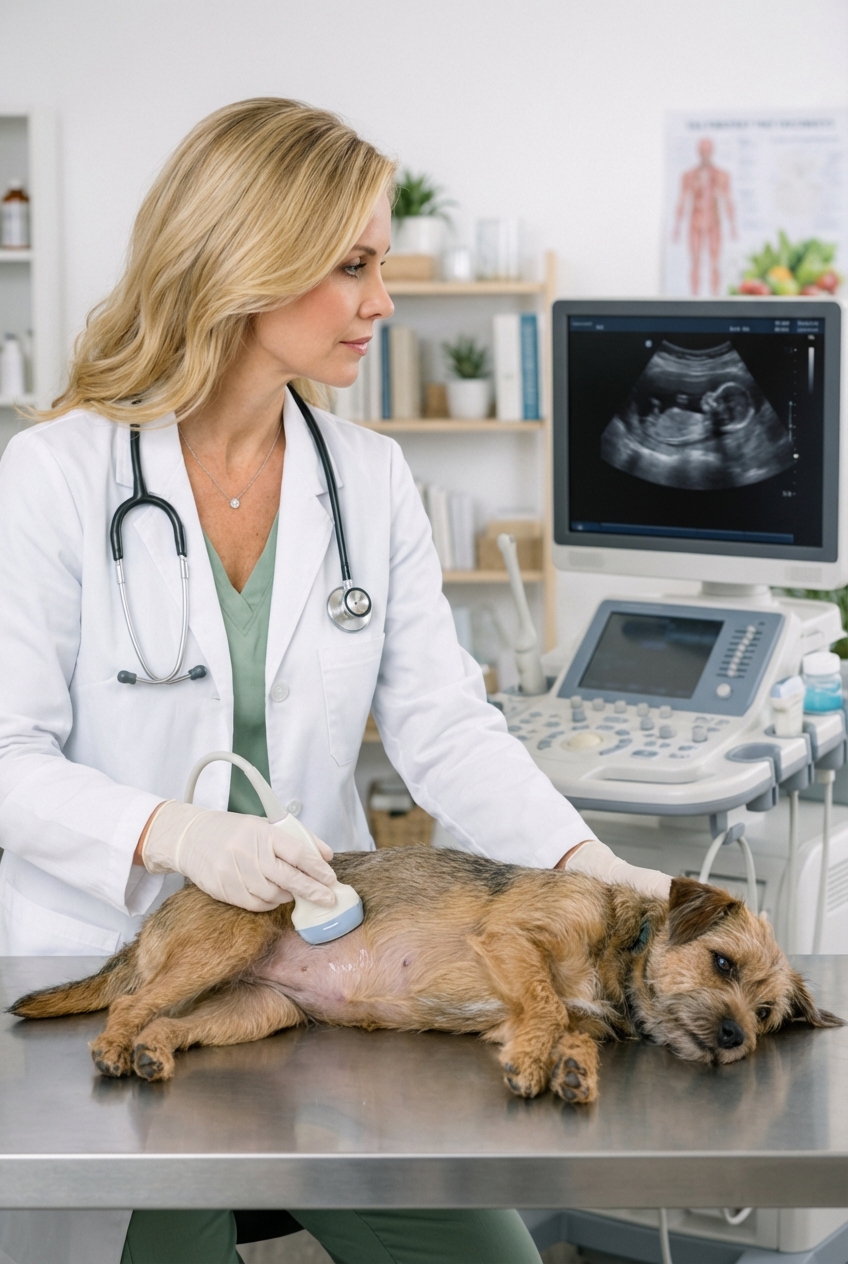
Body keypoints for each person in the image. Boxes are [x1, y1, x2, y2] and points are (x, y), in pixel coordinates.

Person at [0, 99, 670, 1264]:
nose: (382, 301)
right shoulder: (57, 474)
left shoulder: (366, 476)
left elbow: (443, 727)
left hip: (321, 963)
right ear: (243, 261)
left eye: (383, 263)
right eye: (352, 264)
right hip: (115, 961)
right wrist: (174, 834)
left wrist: (587, 866)